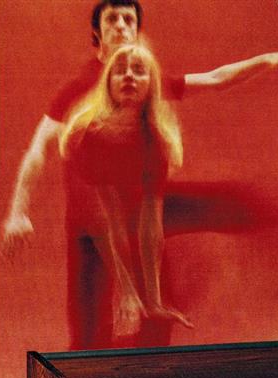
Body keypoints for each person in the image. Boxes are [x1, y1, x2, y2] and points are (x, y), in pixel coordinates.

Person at [0, 0, 278, 349]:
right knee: (89, 338)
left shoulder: (141, 78)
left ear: (137, 33)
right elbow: (37, 150)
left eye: (128, 20)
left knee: (161, 299)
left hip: (139, 208)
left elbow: (215, 79)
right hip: (91, 224)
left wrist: (272, 60)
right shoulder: (79, 90)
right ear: (97, 34)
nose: (121, 26)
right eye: (112, 20)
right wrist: (18, 211)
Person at [60, 43, 191, 337]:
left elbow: (151, 228)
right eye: (120, 71)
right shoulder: (87, 134)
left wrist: (153, 302)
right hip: (88, 220)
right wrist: (128, 291)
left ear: (151, 85)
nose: (129, 76)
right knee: (94, 317)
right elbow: (104, 221)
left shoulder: (156, 141)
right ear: (108, 83)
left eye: (138, 70)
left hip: (115, 205)